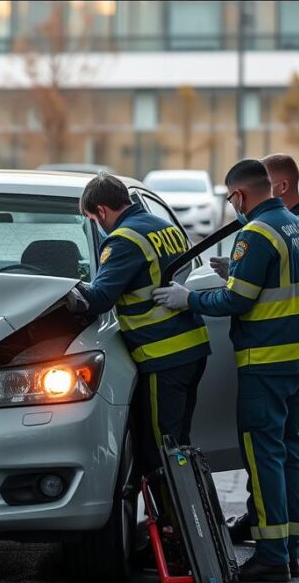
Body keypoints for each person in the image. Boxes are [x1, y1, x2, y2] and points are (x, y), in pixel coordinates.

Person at [153, 159, 299, 582]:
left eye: (232, 199)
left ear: (240, 195)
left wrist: (187, 300)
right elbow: (288, 284)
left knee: (264, 454)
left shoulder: (256, 234)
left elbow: (236, 303)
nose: (234, 206)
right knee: (291, 450)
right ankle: (298, 544)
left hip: (269, 362)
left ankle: (273, 555)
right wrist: (239, 274)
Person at [67, 172, 211, 481]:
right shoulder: (164, 227)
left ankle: (175, 524)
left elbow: (99, 298)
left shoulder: (123, 240)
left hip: (164, 355)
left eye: (93, 219)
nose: (97, 225)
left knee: (162, 451)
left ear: (101, 211)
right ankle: (185, 520)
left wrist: (59, 288)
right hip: (192, 346)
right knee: (179, 444)